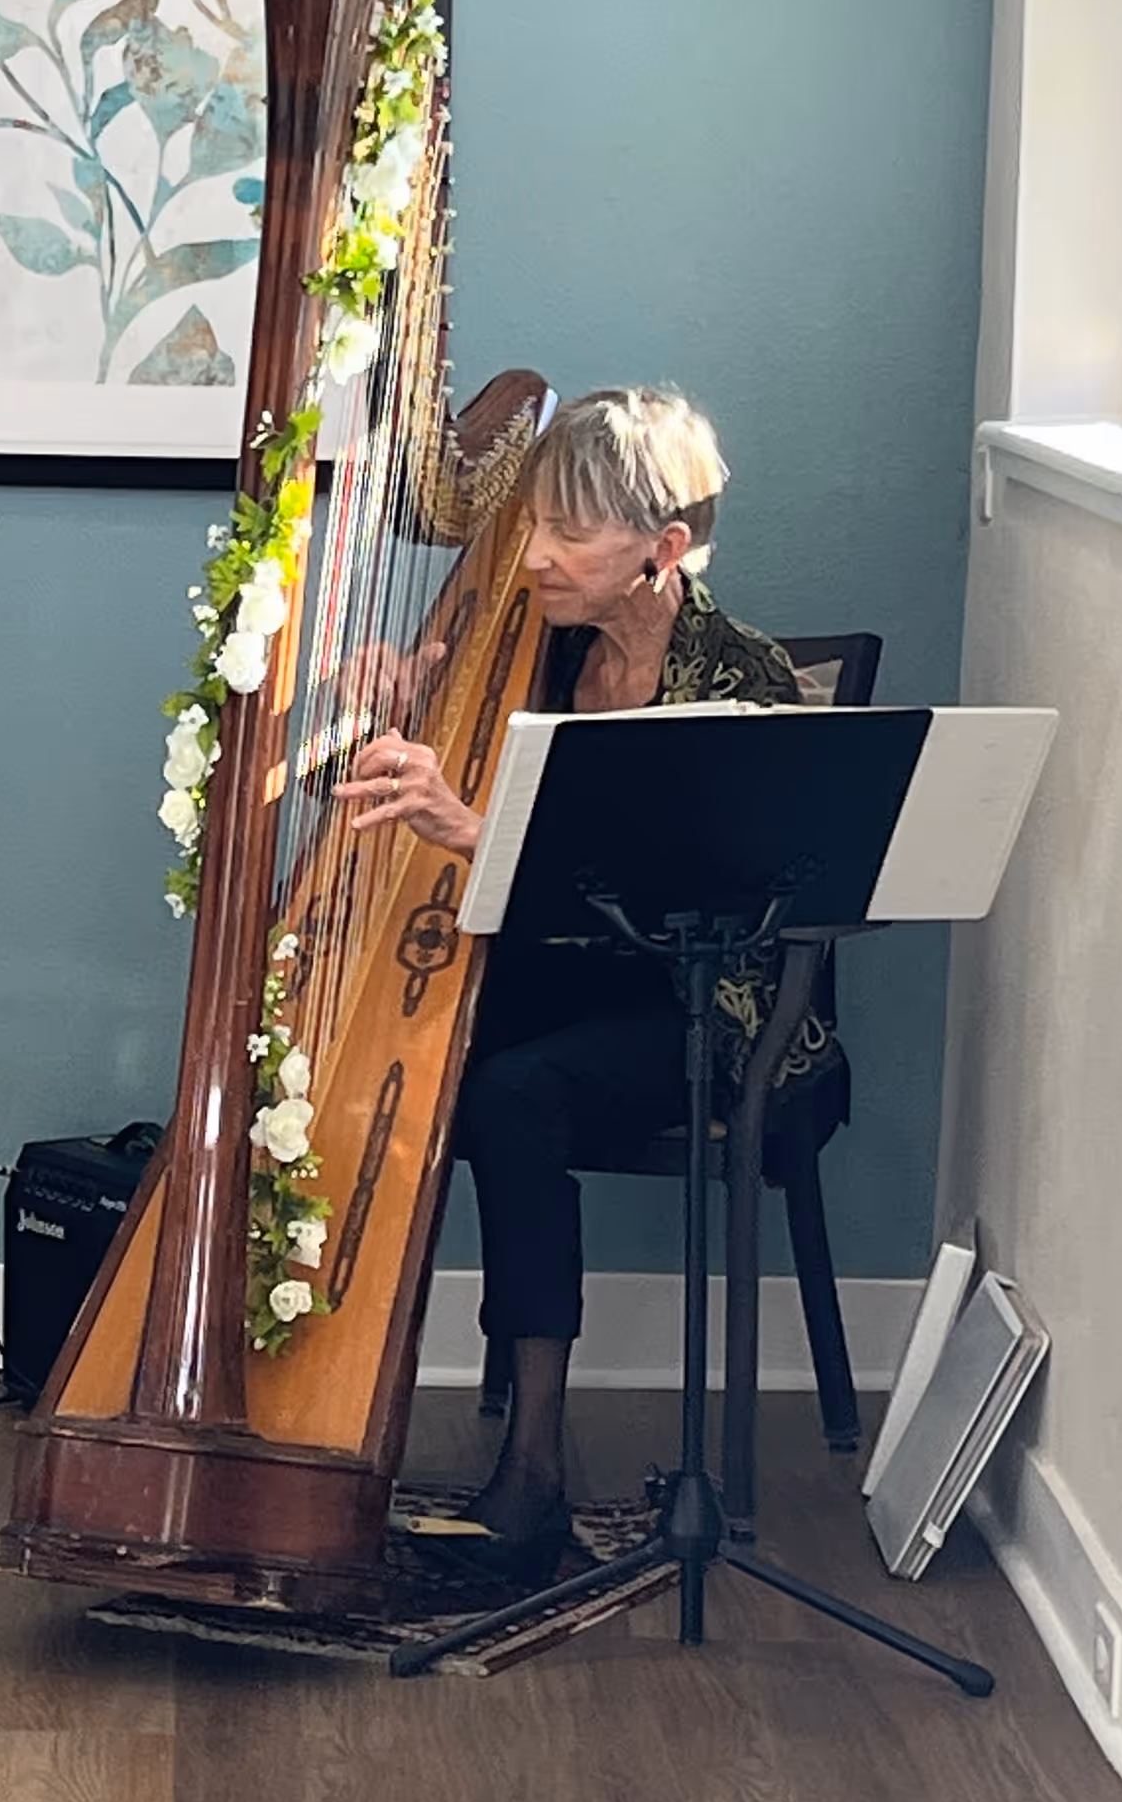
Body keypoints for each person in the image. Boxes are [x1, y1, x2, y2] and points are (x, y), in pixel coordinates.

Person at [335, 386, 835, 1582]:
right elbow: (448, 773)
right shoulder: (535, 639)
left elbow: (697, 916)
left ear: (663, 552)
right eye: (533, 525)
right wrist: (396, 698)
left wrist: (480, 828)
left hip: (705, 1003)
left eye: (571, 535)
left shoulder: (742, 686)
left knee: (510, 1090)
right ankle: (326, 1411)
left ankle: (536, 1473)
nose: (537, 555)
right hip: (564, 970)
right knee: (364, 1040)